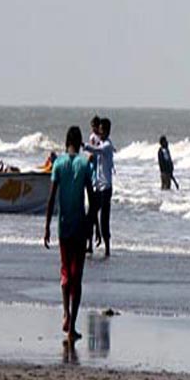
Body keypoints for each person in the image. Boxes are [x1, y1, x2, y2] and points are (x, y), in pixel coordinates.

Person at [43, 126, 93, 342]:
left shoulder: (58, 164)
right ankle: (72, 326)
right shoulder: (85, 164)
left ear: (66, 142)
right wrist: (93, 225)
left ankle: (65, 312)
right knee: (77, 276)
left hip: (63, 227)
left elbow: (51, 198)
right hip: (80, 227)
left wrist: (46, 226)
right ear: (80, 142)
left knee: (65, 271)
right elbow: (92, 198)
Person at [83, 117, 116, 257]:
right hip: (98, 186)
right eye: (99, 129)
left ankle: (107, 248)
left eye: (101, 130)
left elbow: (97, 150)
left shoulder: (107, 145)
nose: (99, 132)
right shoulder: (101, 142)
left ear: (107, 131)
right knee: (90, 216)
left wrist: (83, 145)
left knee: (104, 219)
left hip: (106, 188)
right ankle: (89, 245)